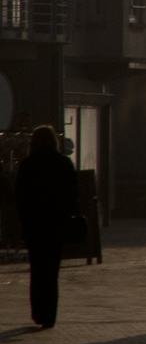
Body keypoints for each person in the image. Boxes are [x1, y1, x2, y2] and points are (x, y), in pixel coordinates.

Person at [12, 125, 75, 329]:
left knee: (37, 270)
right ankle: (49, 315)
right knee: (51, 271)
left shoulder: (28, 165)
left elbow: (20, 197)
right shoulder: (63, 163)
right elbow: (72, 195)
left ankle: (38, 312)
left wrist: (25, 218)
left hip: (34, 226)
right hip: (56, 226)